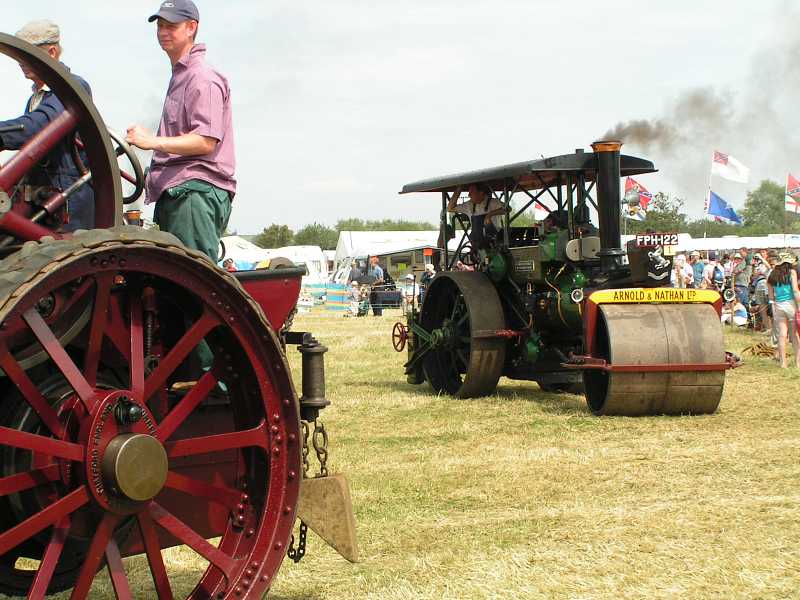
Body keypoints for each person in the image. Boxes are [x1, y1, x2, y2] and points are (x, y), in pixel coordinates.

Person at [126, 0, 235, 262]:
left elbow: (205, 141)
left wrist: (151, 142)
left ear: (191, 28)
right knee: (176, 284)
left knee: (193, 283)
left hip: (194, 193)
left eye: (171, 26)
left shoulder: (202, 78)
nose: (163, 31)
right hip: (178, 192)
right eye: (160, 25)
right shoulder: (181, 77)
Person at [0, 20, 95, 231]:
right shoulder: (36, 97)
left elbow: (37, 126)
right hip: (44, 198)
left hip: (68, 201)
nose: (20, 61)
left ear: (51, 52)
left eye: (27, 54)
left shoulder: (73, 87)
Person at [767, 253, 800, 368]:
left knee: (782, 335)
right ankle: (798, 362)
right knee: (794, 334)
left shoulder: (772, 274)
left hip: (778, 306)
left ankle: (783, 363)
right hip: (790, 304)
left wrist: (773, 307)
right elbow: (795, 291)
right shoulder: (792, 273)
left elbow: (771, 296)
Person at [447, 184, 507, 248]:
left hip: (495, 244)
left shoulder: (494, 202)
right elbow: (450, 208)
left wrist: (490, 215)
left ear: (481, 193)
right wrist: (459, 189)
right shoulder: (469, 205)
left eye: (472, 192)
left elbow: (507, 209)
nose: (469, 195)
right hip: (477, 246)